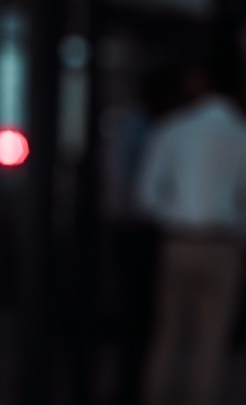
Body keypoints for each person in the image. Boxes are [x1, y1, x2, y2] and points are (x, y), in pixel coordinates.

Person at [136, 59, 246, 405]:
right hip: (222, 242)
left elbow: (144, 196)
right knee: (211, 342)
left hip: (179, 240)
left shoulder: (174, 129)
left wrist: (181, 216)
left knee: (169, 334)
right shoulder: (239, 133)